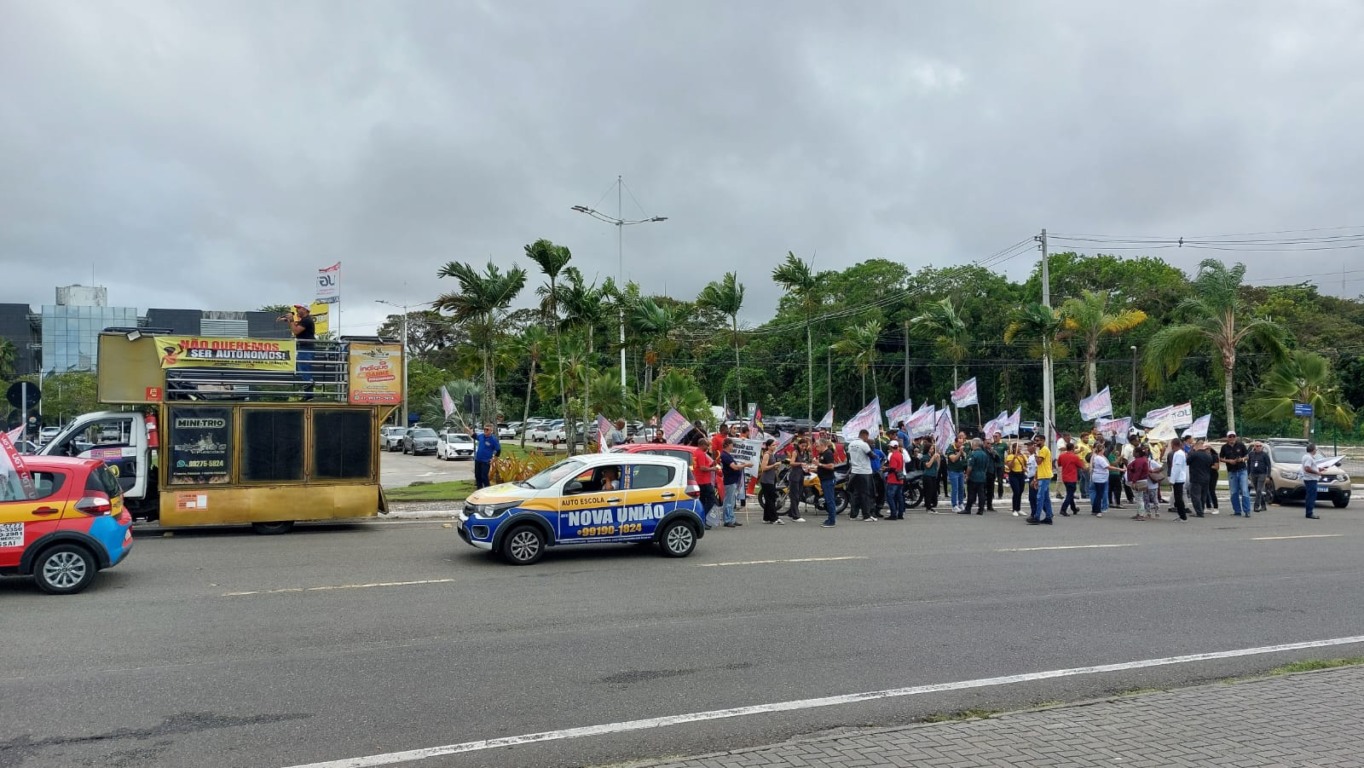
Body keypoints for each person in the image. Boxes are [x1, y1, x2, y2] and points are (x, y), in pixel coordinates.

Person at [282, 304, 316, 397]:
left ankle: (310, 384)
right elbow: (294, 328)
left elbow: (296, 331)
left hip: (306, 348)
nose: (297, 310)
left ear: (305, 310)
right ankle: (309, 395)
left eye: (299, 308)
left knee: (304, 368)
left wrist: (291, 320)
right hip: (305, 348)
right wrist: (289, 321)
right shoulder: (305, 320)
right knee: (304, 369)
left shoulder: (307, 320)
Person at [719, 438, 750, 528]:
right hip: (729, 481)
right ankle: (727, 520)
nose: (732, 446)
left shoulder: (728, 455)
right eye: (732, 445)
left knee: (732, 501)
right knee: (728, 501)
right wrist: (745, 465)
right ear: (728, 445)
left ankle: (732, 518)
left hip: (733, 480)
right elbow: (734, 467)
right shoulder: (725, 456)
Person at [1219, 430, 1250, 517]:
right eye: (1230, 437)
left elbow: (1247, 456)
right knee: (1234, 491)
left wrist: (1242, 459)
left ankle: (1247, 510)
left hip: (1242, 470)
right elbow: (1221, 458)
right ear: (1227, 438)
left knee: (1244, 490)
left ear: (1236, 437)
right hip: (1231, 471)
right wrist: (1229, 461)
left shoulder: (1241, 445)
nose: (1232, 438)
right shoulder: (1224, 447)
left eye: (1233, 436)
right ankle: (1237, 511)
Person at [847, 429, 875, 522]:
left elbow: (848, 457)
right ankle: (866, 515)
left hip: (855, 471)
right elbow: (871, 455)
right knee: (865, 494)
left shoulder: (851, 444)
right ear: (865, 435)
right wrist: (876, 454)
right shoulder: (864, 444)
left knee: (856, 494)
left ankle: (853, 515)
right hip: (864, 471)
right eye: (867, 436)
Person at [692, 433, 719, 529]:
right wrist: (713, 469)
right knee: (712, 500)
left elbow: (702, 466)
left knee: (702, 501)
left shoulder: (696, 452)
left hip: (700, 480)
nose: (708, 447)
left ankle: (701, 520)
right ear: (702, 445)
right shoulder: (700, 454)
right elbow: (703, 468)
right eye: (706, 445)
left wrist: (712, 464)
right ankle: (704, 517)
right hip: (704, 481)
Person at [1029, 435, 1055, 525]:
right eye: (1035, 440)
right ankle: (1048, 516)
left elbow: (1039, 461)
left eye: (1038, 440)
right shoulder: (1041, 450)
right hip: (1043, 475)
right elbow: (1039, 466)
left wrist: (1035, 452)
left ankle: (1037, 517)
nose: (1036, 442)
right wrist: (1036, 478)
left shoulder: (1044, 449)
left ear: (1043, 440)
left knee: (1040, 497)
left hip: (1044, 476)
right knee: (1046, 498)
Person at [785, 435, 811, 522]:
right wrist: (800, 463)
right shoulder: (795, 452)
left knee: (799, 495)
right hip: (795, 475)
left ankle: (791, 512)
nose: (803, 447)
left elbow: (806, 462)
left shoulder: (805, 453)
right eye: (802, 446)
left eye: (805, 446)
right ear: (799, 445)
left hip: (801, 475)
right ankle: (796, 515)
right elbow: (792, 463)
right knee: (794, 495)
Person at [757, 439, 784, 525]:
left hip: (771, 479)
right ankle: (774, 518)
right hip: (766, 480)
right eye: (772, 445)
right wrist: (774, 465)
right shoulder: (767, 455)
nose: (774, 446)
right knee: (771, 499)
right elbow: (763, 468)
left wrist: (775, 467)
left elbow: (770, 467)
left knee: (769, 499)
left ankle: (766, 518)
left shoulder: (772, 455)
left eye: (775, 445)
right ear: (768, 446)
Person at [1186, 437, 1214, 518]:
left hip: (1196, 477)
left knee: (1195, 495)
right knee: (1203, 495)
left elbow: (1187, 462)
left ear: (1197, 446)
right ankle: (1201, 509)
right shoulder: (1209, 455)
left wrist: (1191, 451)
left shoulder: (1194, 454)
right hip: (1206, 477)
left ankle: (1199, 512)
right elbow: (1210, 464)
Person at [963, 438, 991, 515]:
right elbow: (986, 466)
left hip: (974, 476)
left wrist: (967, 475)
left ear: (975, 444)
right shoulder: (984, 454)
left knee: (971, 493)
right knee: (981, 494)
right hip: (982, 476)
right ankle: (981, 509)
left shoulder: (973, 454)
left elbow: (970, 466)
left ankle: (968, 509)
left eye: (972, 443)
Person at [816, 437, 839, 528]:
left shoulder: (828, 453)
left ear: (822, 445)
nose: (816, 448)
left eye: (817, 446)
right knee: (828, 500)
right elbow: (822, 466)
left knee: (830, 501)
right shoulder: (823, 454)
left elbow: (831, 466)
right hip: (823, 479)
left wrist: (819, 464)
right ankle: (830, 518)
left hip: (828, 480)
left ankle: (832, 520)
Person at [1056, 442, 1084, 517]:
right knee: (1070, 494)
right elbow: (1081, 465)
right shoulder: (1074, 457)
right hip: (1072, 477)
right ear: (1073, 448)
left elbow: (1059, 464)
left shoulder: (1061, 456)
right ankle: (1063, 509)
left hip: (1065, 476)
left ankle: (1074, 508)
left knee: (1070, 493)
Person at [471, 423, 501, 490]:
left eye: (487, 429)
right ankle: (479, 490)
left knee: (484, 476)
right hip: (478, 460)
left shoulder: (493, 439)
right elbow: (474, 436)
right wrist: (468, 430)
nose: (485, 431)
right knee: (477, 476)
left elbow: (498, 451)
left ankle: (487, 490)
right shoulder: (481, 436)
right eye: (484, 429)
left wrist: (493, 459)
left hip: (486, 461)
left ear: (491, 430)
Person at [1126, 445, 1151, 521]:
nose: (1132, 453)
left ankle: (1141, 514)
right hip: (1141, 480)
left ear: (1137, 453)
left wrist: (1134, 481)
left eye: (1134, 452)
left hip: (1139, 481)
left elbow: (1138, 471)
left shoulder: (1139, 461)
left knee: (1139, 498)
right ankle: (1139, 513)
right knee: (1138, 498)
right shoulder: (1142, 460)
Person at [1167, 437, 1189, 521]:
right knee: (1178, 497)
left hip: (1178, 479)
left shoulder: (1179, 454)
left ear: (1173, 444)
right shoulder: (1179, 453)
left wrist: (1172, 480)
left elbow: (1177, 467)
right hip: (1178, 478)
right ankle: (1181, 515)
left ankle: (1182, 516)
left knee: (1178, 498)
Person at [884, 439, 905, 520]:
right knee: (899, 497)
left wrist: (886, 469)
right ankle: (900, 514)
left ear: (891, 447)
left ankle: (893, 514)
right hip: (900, 478)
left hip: (893, 479)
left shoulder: (893, 455)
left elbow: (893, 468)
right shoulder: (900, 454)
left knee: (890, 497)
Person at [945, 436, 968, 513]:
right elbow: (953, 459)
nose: (961, 444)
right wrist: (959, 452)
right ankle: (954, 505)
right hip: (953, 471)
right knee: (955, 489)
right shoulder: (951, 448)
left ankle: (961, 503)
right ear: (956, 442)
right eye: (959, 443)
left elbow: (964, 459)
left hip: (960, 470)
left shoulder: (961, 448)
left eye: (962, 442)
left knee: (961, 488)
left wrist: (963, 454)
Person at [1248, 440, 1271, 512]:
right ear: (1254, 447)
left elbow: (1269, 465)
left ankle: (1256, 506)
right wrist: (1248, 473)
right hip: (1253, 474)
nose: (1258, 447)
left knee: (1259, 490)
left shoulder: (1264, 455)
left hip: (1262, 474)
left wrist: (1268, 476)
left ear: (1262, 447)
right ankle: (1263, 505)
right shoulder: (1251, 454)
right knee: (1258, 491)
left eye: (1259, 446)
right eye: (1256, 446)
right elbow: (1248, 464)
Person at [1302, 442, 1323, 519]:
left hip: (1309, 478)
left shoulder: (1307, 457)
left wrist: (1319, 469)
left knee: (1310, 495)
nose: (1316, 451)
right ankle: (1309, 513)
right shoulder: (1309, 458)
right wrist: (1317, 472)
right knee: (1311, 496)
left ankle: (1309, 512)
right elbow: (1307, 468)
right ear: (1313, 450)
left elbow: (1310, 467)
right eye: (1315, 449)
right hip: (1311, 479)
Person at [1005, 441, 1027, 516]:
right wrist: (1014, 458)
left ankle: (1018, 508)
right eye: (1018, 446)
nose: (1020, 448)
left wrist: (1025, 467)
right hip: (1013, 474)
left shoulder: (1022, 456)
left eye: (1020, 446)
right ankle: (1014, 509)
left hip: (1021, 474)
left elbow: (1026, 464)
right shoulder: (1010, 456)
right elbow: (1010, 466)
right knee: (1016, 491)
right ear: (1014, 448)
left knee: (1020, 491)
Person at [921, 441, 942, 513]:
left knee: (933, 491)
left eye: (933, 449)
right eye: (930, 449)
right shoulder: (925, 457)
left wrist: (938, 459)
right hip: (927, 475)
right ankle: (928, 507)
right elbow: (928, 465)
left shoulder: (933, 456)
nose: (932, 450)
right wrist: (933, 457)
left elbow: (937, 467)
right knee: (928, 492)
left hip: (933, 475)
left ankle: (932, 505)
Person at [1090, 446, 1109, 517]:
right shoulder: (1099, 458)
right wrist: (1119, 469)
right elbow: (1107, 466)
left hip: (1099, 477)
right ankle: (1098, 510)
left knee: (1098, 494)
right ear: (1102, 450)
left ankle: (1094, 509)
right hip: (1100, 478)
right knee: (1099, 495)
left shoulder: (1096, 457)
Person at [1107, 440, 1125, 510]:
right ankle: (1116, 502)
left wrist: (1119, 458)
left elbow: (1118, 464)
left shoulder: (1114, 455)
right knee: (1117, 488)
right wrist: (1119, 458)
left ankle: (1112, 501)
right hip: (1113, 473)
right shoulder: (1110, 455)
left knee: (1111, 488)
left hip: (1116, 473)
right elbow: (1113, 464)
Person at [1024, 442, 1039, 519]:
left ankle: (1034, 514)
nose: (1028, 448)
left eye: (1029, 446)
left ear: (1034, 447)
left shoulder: (1035, 457)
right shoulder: (1030, 457)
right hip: (1030, 477)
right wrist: (1025, 470)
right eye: (1027, 446)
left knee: (1034, 497)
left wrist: (1035, 479)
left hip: (1034, 478)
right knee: (1032, 497)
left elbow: (1037, 469)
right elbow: (1031, 469)